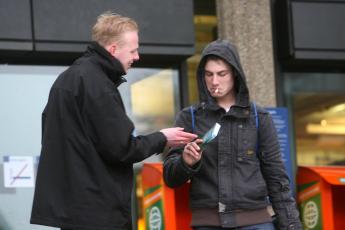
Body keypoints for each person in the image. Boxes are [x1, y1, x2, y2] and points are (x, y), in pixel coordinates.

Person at [30, 12, 197, 230]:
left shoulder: (67, 80)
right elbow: (123, 149)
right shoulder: (98, 85)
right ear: (113, 50)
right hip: (99, 213)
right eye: (134, 49)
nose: (137, 56)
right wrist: (163, 137)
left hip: (74, 212)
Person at [163, 39, 302, 230]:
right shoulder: (189, 118)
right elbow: (170, 177)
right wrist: (185, 163)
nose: (214, 81)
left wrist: (291, 225)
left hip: (256, 223)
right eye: (208, 74)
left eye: (222, 74)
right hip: (208, 224)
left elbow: (276, 177)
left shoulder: (259, 117)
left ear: (235, 74)